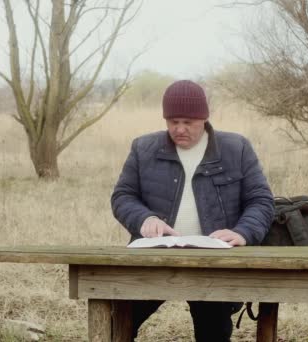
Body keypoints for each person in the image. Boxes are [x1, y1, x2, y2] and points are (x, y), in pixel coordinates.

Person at [110, 80, 274, 341]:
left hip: (214, 263)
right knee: (116, 324)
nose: (180, 129)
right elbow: (122, 196)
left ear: (204, 119)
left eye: (188, 122)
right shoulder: (143, 148)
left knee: (214, 333)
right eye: (173, 121)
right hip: (153, 260)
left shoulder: (236, 148)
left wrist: (243, 232)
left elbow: (261, 200)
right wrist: (144, 219)